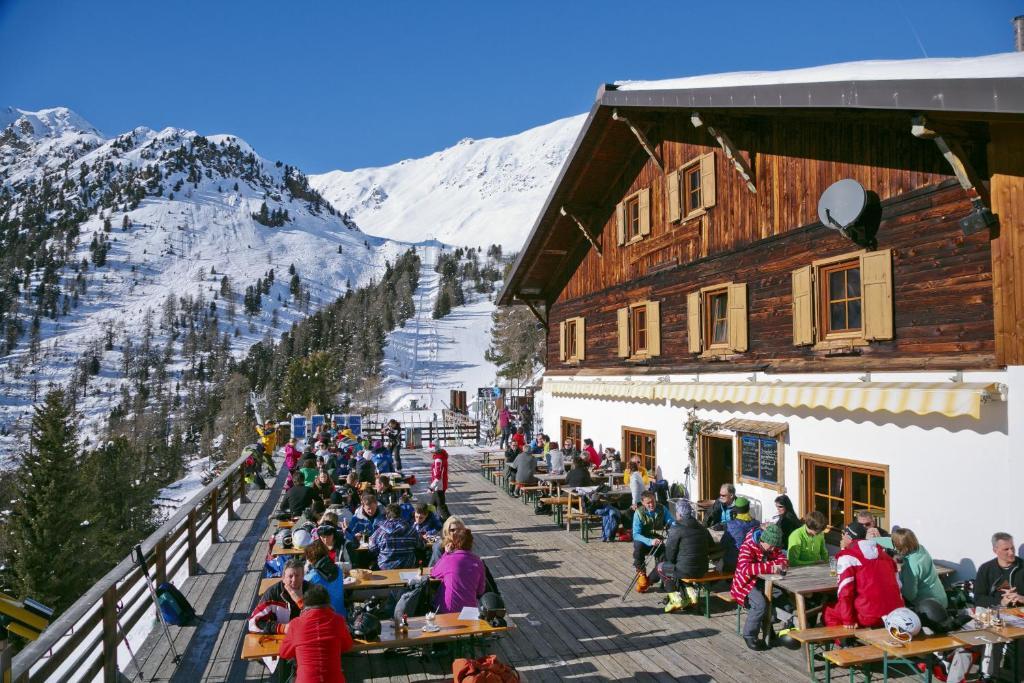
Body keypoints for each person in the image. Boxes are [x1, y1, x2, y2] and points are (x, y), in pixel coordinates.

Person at [823, 522, 904, 629]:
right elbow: (899, 586)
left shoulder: (848, 557)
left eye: (844, 535)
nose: (842, 538)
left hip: (869, 616)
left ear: (849, 537)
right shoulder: (885, 556)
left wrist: (848, 621)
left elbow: (845, 593)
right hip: (894, 613)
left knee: (827, 611)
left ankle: (846, 642)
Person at [278, 583, 353, 683]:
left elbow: (284, 653)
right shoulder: (338, 621)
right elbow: (347, 646)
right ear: (329, 603)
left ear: (305, 604)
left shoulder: (295, 624)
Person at [730, 524, 788, 651]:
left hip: (765, 582)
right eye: (771, 546)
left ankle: (768, 626)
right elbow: (745, 569)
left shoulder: (772, 546)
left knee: (782, 599)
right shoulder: (748, 546)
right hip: (745, 583)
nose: (773, 549)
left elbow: (783, 558)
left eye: (775, 546)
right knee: (760, 603)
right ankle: (749, 635)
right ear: (763, 540)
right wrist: (771, 566)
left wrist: (781, 564)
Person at [658, 499, 713, 610]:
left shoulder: (676, 529)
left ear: (679, 514)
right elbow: (711, 547)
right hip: (702, 569)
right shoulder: (702, 528)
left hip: (685, 570)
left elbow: (670, 555)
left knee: (661, 567)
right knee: (679, 567)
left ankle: (675, 597)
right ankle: (688, 591)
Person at [884, 527, 948, 609]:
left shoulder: (910, 566)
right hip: (940, 597)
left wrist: (897, 584)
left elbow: (910, 595)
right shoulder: (920, 548)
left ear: (902, 547)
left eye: (894, 544)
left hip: (929, 606)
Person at [430, 527, 487, 614]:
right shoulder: (478, 561)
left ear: (454, 543)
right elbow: (480, 590)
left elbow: (434, 573)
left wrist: (446, 553)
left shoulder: (449, 559)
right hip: (470, 611)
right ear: (471, 544)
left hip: (447, 609)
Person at [631, 491, 675, 593]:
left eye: (653, 501)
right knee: (637, 546)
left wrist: (674, 527)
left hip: (659, 541)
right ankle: (641, 574)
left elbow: (671, 522)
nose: (651, 505)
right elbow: (636, 534)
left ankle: (649, 581)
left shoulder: (662, 508)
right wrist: (650, 541)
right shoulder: (638, 513)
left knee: (665, 558)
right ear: (643, 503)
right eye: (648, 503)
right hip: (645, 542)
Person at [973, 532, 1024, 608]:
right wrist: (1001, 602)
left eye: (1012, 548)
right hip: (996, 615)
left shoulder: (1022, 566)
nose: (1011, 552)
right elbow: (978, 598)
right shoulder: (985, 569)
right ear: (995, 550)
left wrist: (1022, 599)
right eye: (1006, 549)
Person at [368, 503, 423, 569]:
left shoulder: (380, 531)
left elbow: (372, 548)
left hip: (385, 567)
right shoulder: (411, 530)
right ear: (400, 514)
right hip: (408, 566)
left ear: (386, 515)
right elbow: (421, 545)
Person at [303, 541, 348, 618]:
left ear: (309, 559)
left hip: (324, 618)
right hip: (341, 615)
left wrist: (305, 569)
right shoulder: (338, 570)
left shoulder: (311, 578)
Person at [719, 497, 760, 571]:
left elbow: (723, 543)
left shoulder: (731, 525)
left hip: (733, 562)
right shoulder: (756, 524)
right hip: (751, 561)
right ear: (748, 509)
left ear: (736, 510)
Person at [345, 493, 385, 568]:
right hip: (363, 550)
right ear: (363, 507)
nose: (370, 511)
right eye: (368, 509)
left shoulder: (383, 516)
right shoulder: (356, 518)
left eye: (373, 508)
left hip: (379, 549)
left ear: (376, 505)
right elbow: (349, 534)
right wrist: (354, 536)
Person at [429, 443, 450, 519]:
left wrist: (431, 487)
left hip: (438, 486)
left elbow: (438, 476)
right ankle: (428, 520)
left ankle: (450, 522)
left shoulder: (438, 460)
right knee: (431, 506)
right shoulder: (441, 457)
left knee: (441, 507)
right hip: (439, 485)